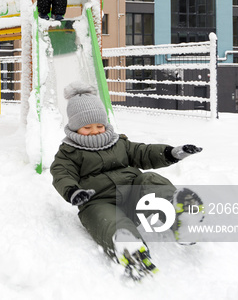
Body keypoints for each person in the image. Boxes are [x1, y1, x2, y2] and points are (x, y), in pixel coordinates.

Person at [50, 82, 203, 279]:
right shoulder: (69, 153)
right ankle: (128, 247)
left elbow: (144, 152)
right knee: (109, 221)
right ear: (74, 127)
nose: (95, 131)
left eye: (99, 125)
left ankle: (181, 218)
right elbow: (61, 173)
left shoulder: (119, 142)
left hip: (132, 195)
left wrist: (171, 152)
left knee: (149, 179)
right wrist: (73, 191)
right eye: (87, 127)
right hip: (98, 201)